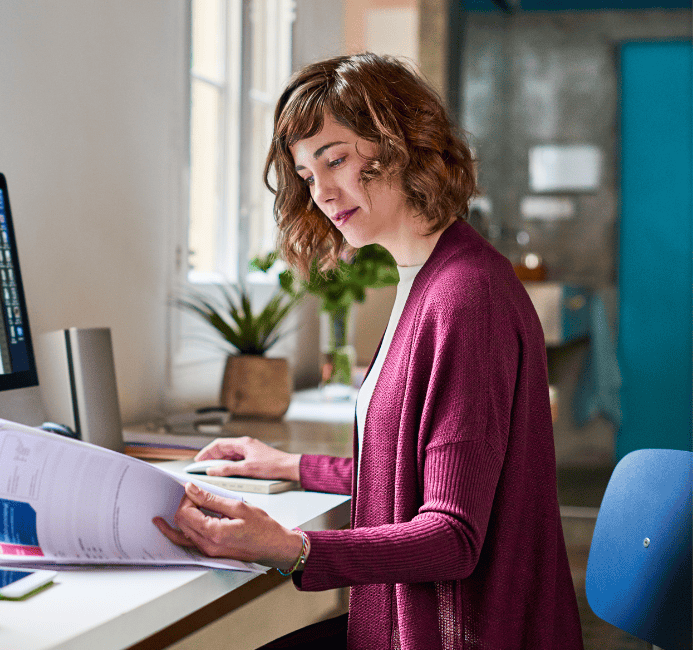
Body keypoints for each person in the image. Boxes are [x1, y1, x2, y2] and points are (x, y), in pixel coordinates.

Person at [153, 53, 584, 649]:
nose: (323, 191)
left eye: (336, 159)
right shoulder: (427, 276)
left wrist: (289, 548)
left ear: (403, 143)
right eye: (307, 175)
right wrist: (292, 466)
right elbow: (424, 472)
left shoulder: (466, 297)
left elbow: (453, 536)